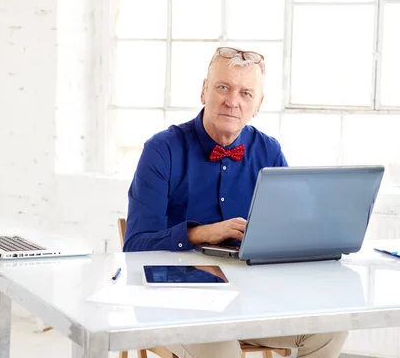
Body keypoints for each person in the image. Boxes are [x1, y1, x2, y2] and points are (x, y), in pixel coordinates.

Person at [124, 46, 348, 358]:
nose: (233, 101)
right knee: (220, 347)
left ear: (257, 104)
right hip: (177, 300)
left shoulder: (269, 151)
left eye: (246, 93)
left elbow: (289, 233)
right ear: (204, 91)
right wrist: (201, 233)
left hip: (253, 299)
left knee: (331, 328)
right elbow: (134, 245)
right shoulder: (162, 150)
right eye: (223, 87)